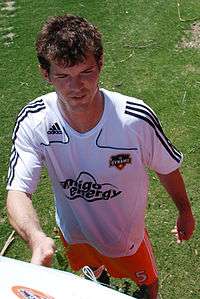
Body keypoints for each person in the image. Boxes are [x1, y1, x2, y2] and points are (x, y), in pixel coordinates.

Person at [6, 14, 195, 299]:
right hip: (74, 235)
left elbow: (166, 168)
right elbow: (18, 191)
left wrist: (184, 210)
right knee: (89, 280)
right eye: (63, 76)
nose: (76, 86)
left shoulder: (134, 119)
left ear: (101, 65)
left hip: (126, 240)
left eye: (86, 72)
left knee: (148, 285)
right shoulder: (34, 120)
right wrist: (36, 237)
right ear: (45, 74)